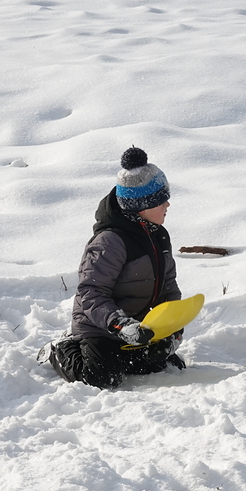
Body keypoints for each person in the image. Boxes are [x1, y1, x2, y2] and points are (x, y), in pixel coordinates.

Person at [39, 146, 186, 388]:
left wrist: (172, 325)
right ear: (142, 206)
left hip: (139, 327)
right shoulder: (110, 241)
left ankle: (130, 351)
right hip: (101, 326)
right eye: (161, 200)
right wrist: (121, 325)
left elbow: (168, 286)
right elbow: (91, 293)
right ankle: (61, 349)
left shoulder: (159, 236)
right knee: (101, 377)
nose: (167, 204)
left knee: (162, 363)